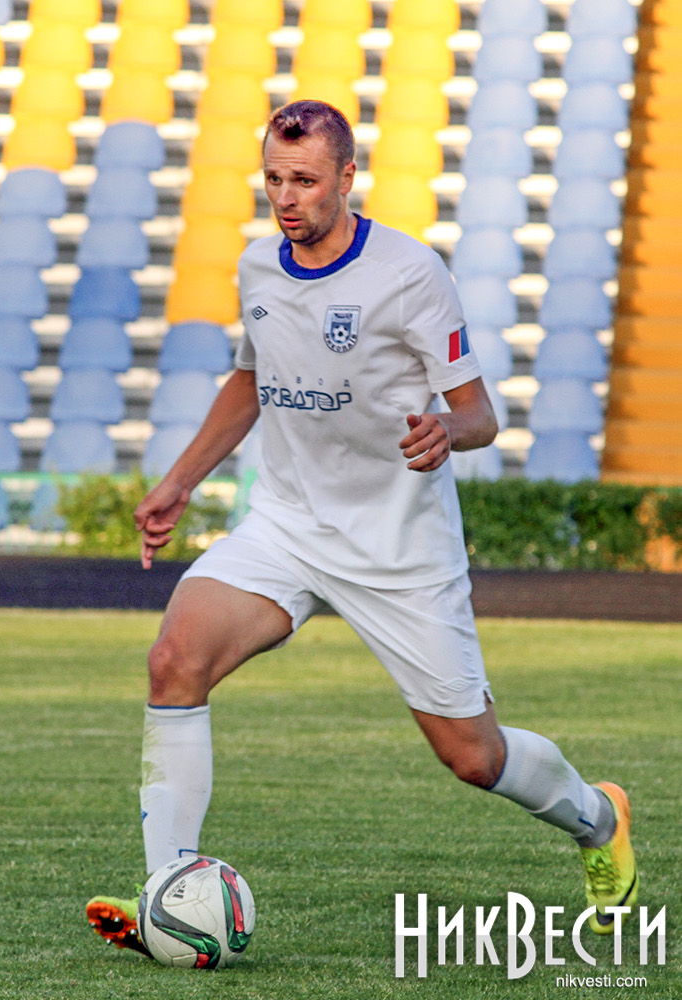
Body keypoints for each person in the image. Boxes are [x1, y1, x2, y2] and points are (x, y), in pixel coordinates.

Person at [84, 100, 635, 957]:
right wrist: (180, 481)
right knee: (174, 661)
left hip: (398, 547)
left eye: (304, 180)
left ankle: (600, 820)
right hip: (288, 525)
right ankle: (169, 894)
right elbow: (252, 379)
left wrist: (445, 430)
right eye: (274, 179)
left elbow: (480, 413)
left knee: (473, 758)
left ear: (347, 176)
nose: (286, 197)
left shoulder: (410, 273)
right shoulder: (258, 267)